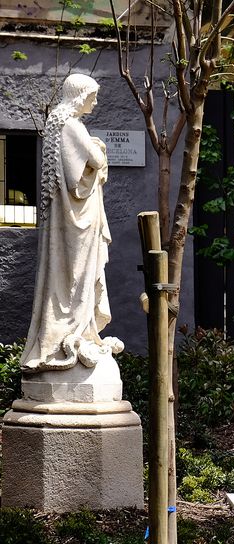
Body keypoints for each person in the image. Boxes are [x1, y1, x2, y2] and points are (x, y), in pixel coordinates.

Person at [21, 73, 123, 373]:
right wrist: (98, 147)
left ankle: (79, 329)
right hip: (79, 221)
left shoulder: (60, 124)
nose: (96, 100)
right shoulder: (70, 125)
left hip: (76, 219)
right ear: (79, 95)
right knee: (76, 279)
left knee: (75, 279)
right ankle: (73, 333)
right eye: (93, 95)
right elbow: (93, 162)